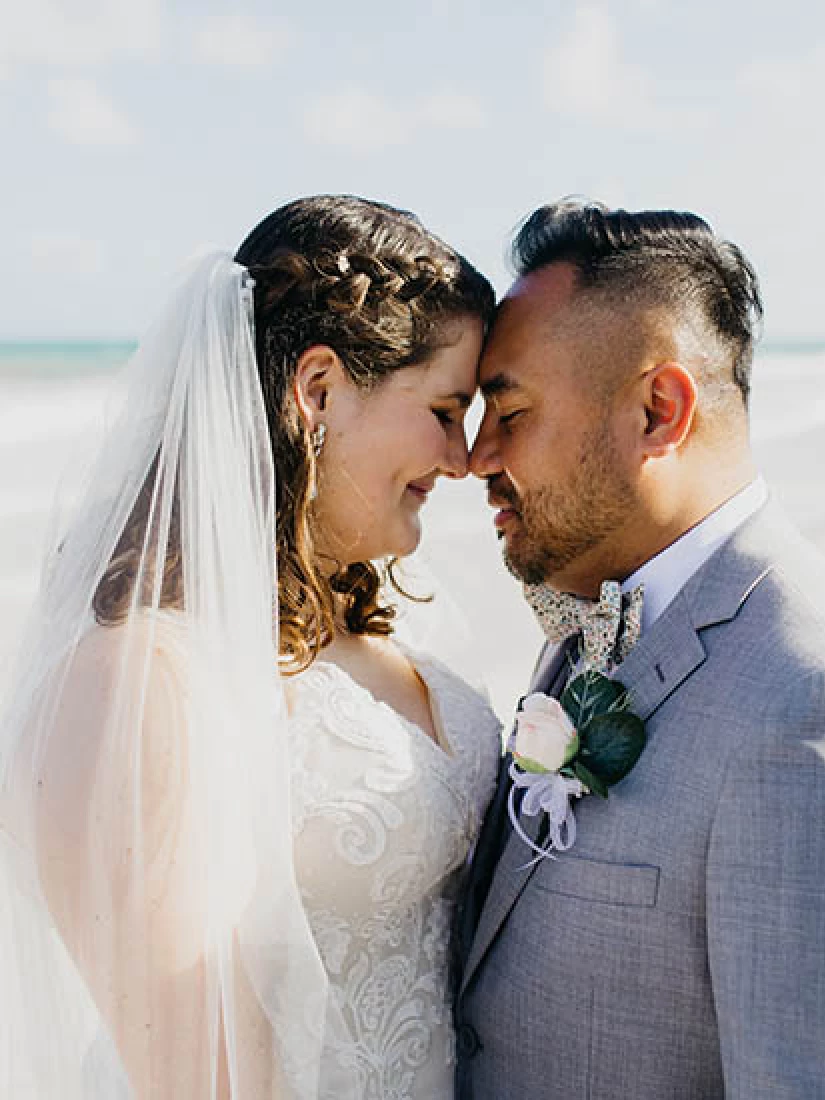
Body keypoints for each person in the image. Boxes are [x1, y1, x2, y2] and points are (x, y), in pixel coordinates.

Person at [0, 195, 501, 1098]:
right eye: (443, 408)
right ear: (318, 391)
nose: (463, 459)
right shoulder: (138, 681)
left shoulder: (385, 625)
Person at [455, 199, 825, 1098]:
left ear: (658, 410)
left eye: (510, 411)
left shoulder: (824, 700)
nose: (477, 455)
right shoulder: (588, 619)